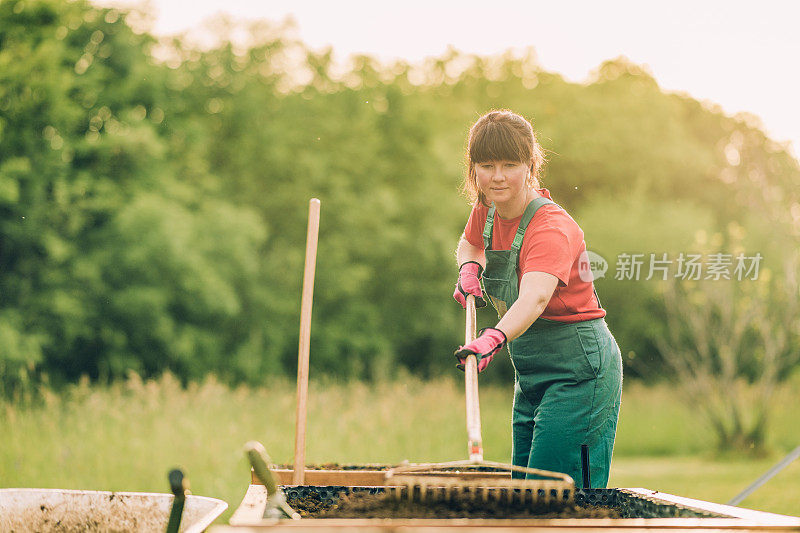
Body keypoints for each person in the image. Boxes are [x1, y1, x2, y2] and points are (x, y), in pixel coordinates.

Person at [452, 109, 623, 488]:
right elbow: (470, 243)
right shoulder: (487, 210)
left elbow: (535, 297)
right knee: (524, 496)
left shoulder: (552, 227)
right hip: (530, 375)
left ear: (530, 165)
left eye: (510, 164)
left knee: (556, 496)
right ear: (473, 168)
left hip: (579, 373)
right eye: (487, 165)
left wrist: (493, 338)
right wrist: (469, 269)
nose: (497, 176)